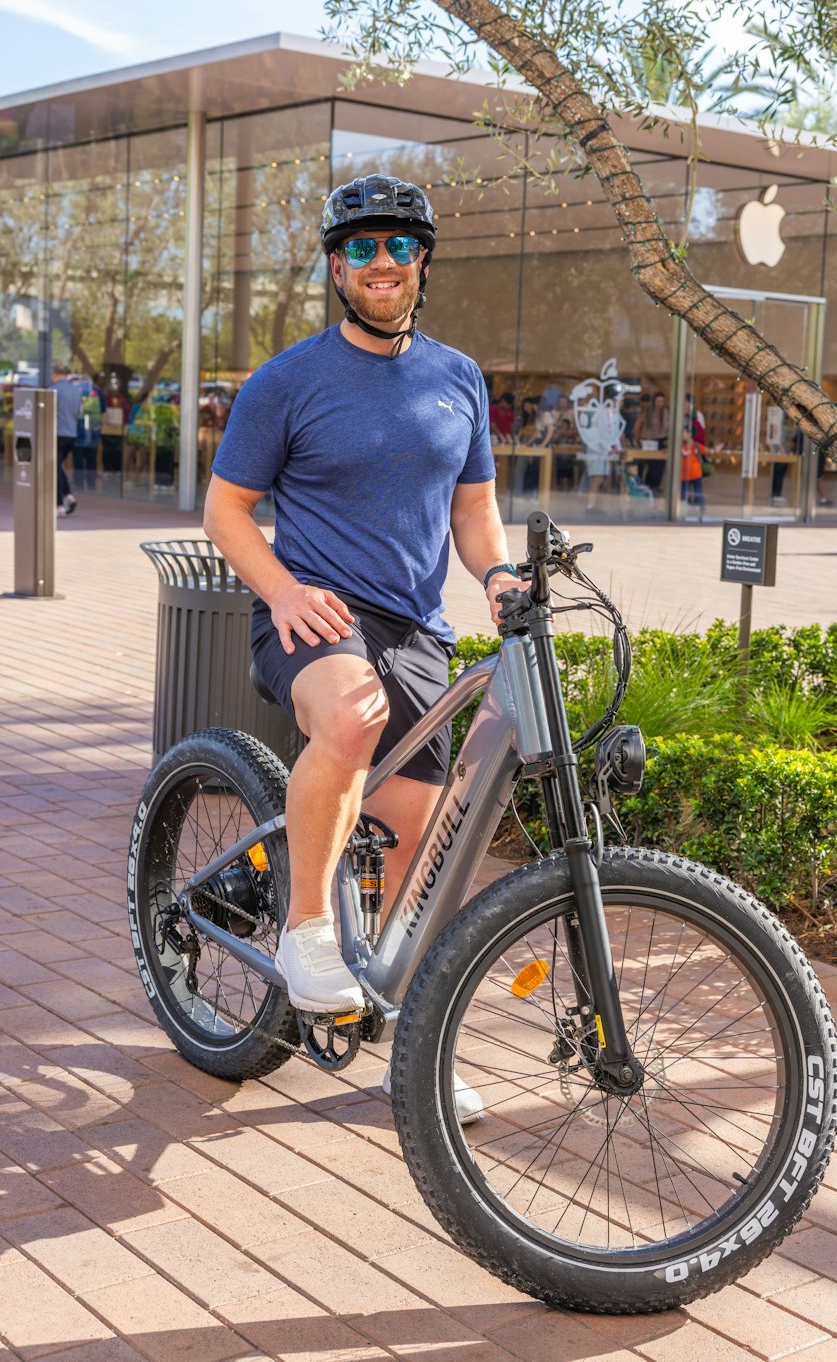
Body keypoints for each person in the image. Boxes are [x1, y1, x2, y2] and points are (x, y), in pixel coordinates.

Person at [203, 173, 522, 1124]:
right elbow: (225, 510)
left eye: (397, 246)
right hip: (316, 616)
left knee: (428, 835)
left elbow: (475, 511)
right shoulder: (287, 381)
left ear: (422, 260)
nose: (380, 263)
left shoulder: (458, 377)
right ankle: (306, 930)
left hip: (419, 628)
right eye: (360, 249)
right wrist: (286, 591)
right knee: (351, 712)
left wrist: (498, 575)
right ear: (337, 268)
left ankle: (408, 1051)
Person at [50, 363, 84, 516]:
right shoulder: (76, 391)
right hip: (71, 434)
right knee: (56, 467)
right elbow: (78, 412)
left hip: (56, 434)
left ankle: (59, 505)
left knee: (54, 469)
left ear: (55, 374)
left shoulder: (53, 390)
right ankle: (69, 496)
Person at [634, 389, 669, 492]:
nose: (660, 404)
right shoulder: (647, 411)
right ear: (654, 401)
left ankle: (653, 487)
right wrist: (638, 439)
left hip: (661, 440)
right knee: (643, 463)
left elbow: (668, 427)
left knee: (658, 466)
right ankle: (641, 486)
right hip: (647, 439)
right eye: (658, 401)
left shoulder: (666, 411)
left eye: (662, 402)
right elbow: (637, 426)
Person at [680, 425, 706, 517]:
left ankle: (702, 510)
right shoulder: (681, 446)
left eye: (684, 432)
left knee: (698, 493)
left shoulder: (696, 446)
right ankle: (682, 510)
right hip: (683, 475)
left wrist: (714, 450)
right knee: (683, 494)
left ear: (689, 434)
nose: (682, 434)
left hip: (695, 474)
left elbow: (706, 451)